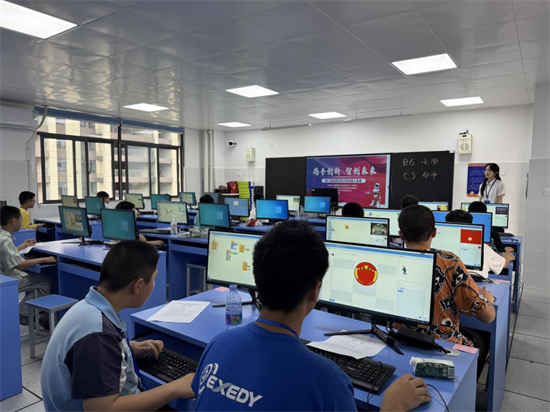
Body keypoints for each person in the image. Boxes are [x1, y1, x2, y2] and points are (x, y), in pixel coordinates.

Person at [191, 220, 430, 412]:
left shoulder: (218, 344)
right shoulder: (329, 382)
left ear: (258, 277)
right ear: (315, 290)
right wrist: (391, 407)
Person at [41, 241, 195, 412]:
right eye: (154, 279)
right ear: (138, 286)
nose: (154, 285)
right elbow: (102, 410)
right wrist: (174, 388)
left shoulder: (88, 308)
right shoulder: (97, 335)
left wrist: (126, 348)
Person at [397, 205, 495, 345]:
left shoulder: (390, 259)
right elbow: (488, 317)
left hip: (398, 338)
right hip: (441, 344)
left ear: (401, 235)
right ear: (434, 233)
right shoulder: (449, 262)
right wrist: (487, 300)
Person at [0, 206, 54, 323]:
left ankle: (25, 311)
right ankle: (23, 312)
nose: (21, 222)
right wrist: (45, 259)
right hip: (7, 278)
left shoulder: (2, 235)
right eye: (20, 219)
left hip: (3, 275)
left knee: (34, 276)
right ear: (13, 221)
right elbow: (19, 264)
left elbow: (7, 255)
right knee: (45, 280)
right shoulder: (6, 240)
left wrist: (22, 246)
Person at [445, 210, 515, 278]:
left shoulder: (442, 247)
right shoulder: (483, 248)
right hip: (475, 283)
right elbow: (502, 263)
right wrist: (506, 257)